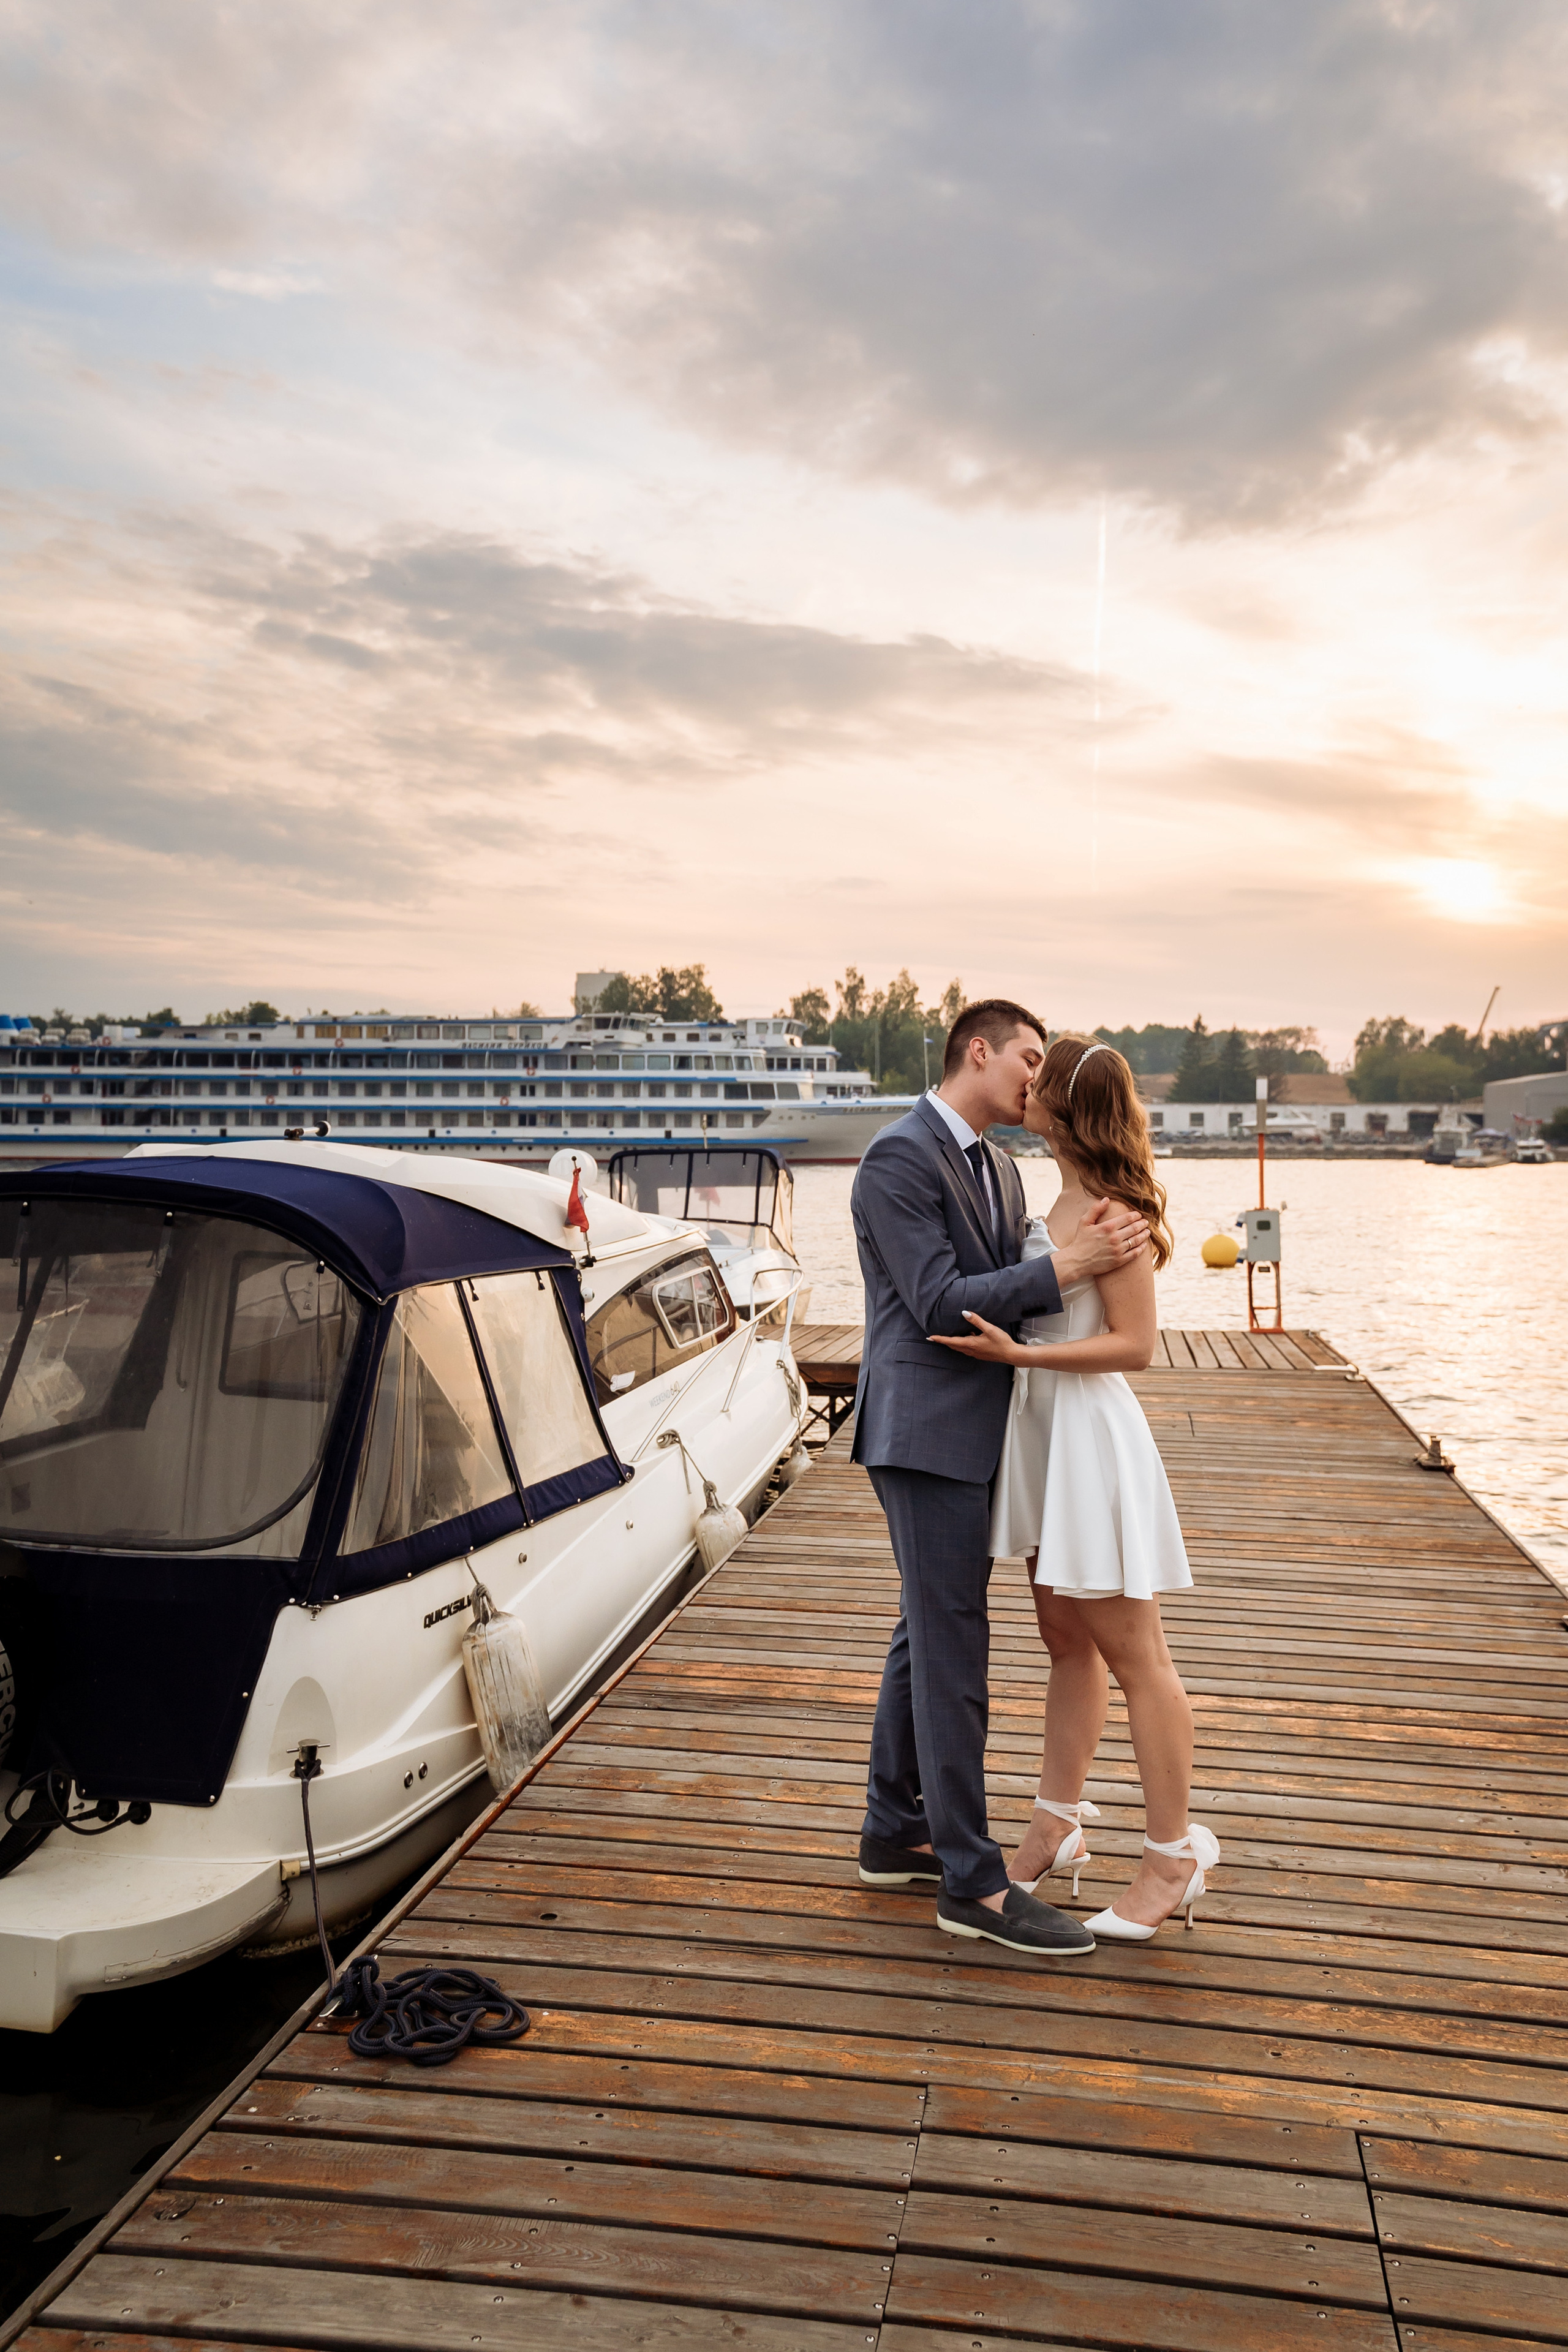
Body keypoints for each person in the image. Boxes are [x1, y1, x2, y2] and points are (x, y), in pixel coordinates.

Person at [850, 1000, 1150, 1955]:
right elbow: (940, 1303)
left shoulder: (999, 1166)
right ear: (977, 1052)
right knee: (953, 1647)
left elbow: (1013, 1302)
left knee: (924, 1631)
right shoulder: (899, 1159)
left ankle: (894, 1831)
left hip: (987, 1431)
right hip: (925, 1432)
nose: (1037, 1076)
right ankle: (973, 1887)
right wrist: (1071, 1267)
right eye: (1027, 1057)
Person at [931, 1033, 1219, 1940]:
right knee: (1064, 1640)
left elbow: (1135, 1345)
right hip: (1041, 1439)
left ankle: (1172, 1857)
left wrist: (1020, 1355)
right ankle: (1056, 1824)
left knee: (1139, 1658)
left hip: (1088, 1439)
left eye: (1040, 1075)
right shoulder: (1047, 1197)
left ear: (1064, 1103)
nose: (1025, 1084)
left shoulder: (1115, 1211)